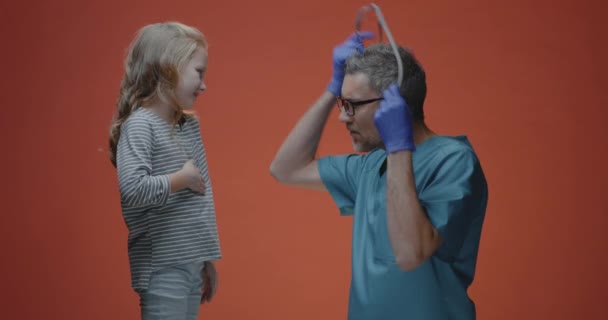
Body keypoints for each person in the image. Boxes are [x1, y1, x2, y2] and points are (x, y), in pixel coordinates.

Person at [269, 32, 489, 320]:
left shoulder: (453, 160)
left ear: (393, 106)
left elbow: (410, 253)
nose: (343, 117)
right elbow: (286, 169)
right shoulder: (370, 166)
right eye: (341, 103)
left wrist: (400, 148)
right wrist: (330, 89)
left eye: (353, 105)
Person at [108, 21, 221, 320]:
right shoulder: (140, 126)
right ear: (169, 67)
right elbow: (132, 190)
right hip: (161, 265)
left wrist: (205, 257)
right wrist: (180, 179)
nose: (204, 84)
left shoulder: (188, 125)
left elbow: (201, 197)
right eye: (199, 72)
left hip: (190, 261)